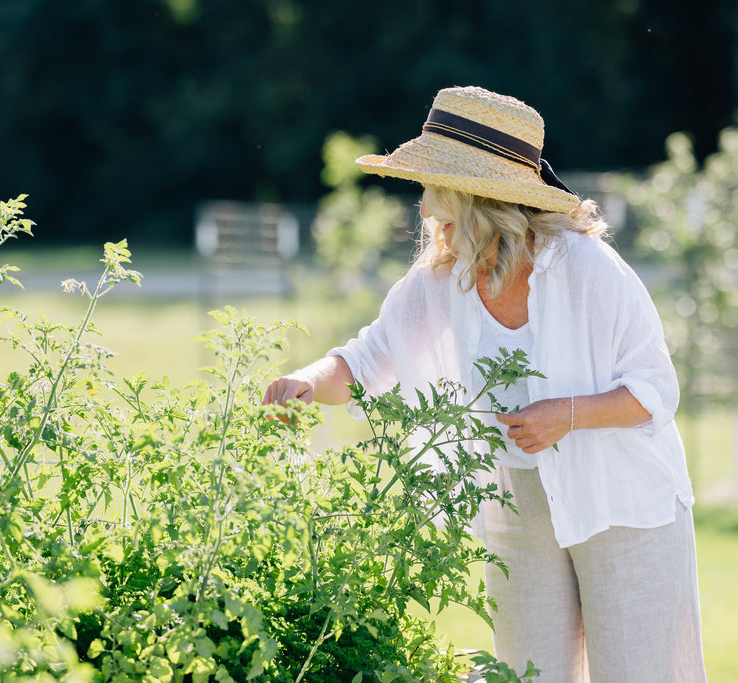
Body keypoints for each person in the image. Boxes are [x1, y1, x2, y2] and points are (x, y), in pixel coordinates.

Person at [262, 86, 706, 683]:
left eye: (429, 187)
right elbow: (367, 359)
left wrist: (566, 414)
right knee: (527, 675)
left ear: (473, 196)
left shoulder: (587, 269)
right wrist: (306, 383)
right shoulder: (441, 280)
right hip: (516, 500)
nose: (422, 208)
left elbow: (655, 391)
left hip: (621, 494)